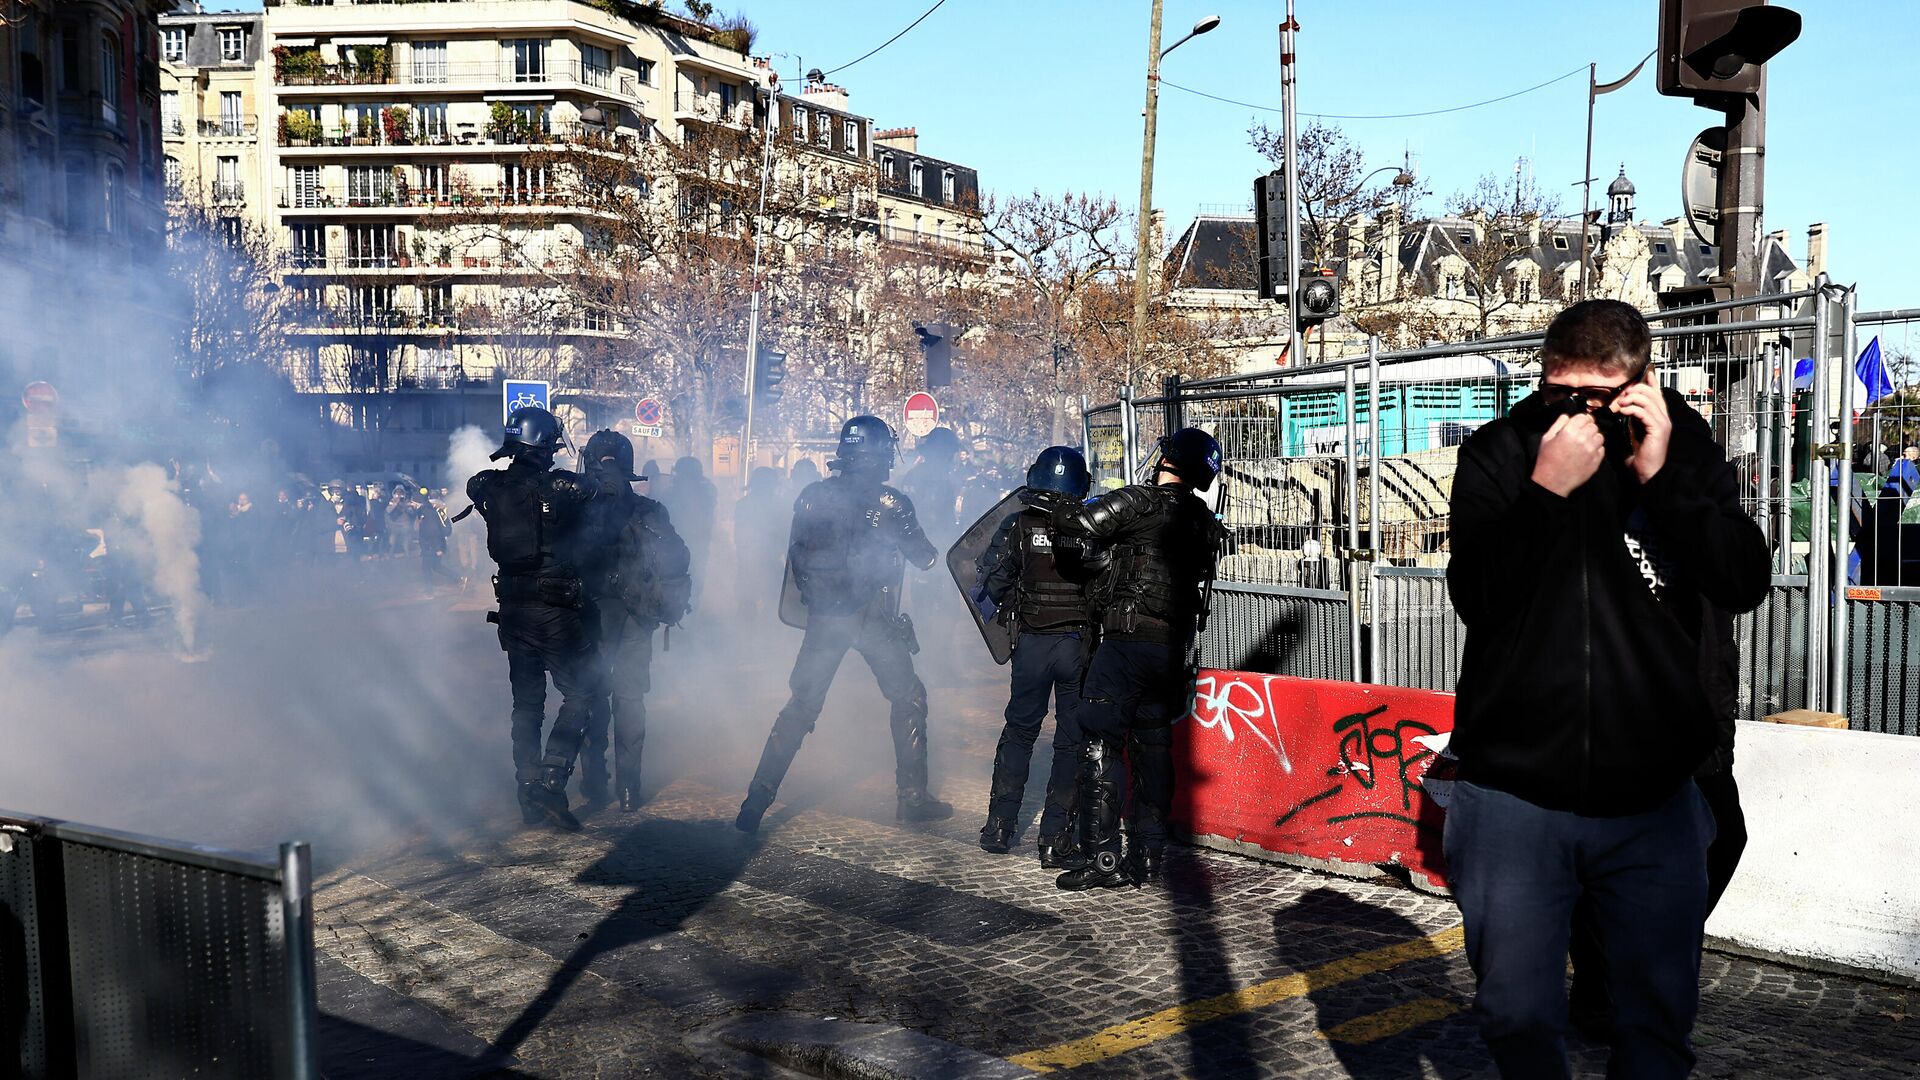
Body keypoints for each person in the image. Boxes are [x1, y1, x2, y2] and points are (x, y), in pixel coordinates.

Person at [1445, 299, 1770, 1078]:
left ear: (1644, 383)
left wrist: (1665, 481)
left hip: (1653, 793)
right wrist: (1545, 492)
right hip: (1515, 790)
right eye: (1564, 395)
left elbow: (1743, 578)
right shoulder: (1501, 451)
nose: (1583, 414)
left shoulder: (1682, 444)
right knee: (1515, 1016)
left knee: (1656, 1028)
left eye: (1603, 397)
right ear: (1545, 380)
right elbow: (1479, 599)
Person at [736, 416, 952, 832]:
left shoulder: (812, 496)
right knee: (909, 696)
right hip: (871, 616)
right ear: (880, 455)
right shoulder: (892, 503)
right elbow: (925, 558)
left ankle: (754, 803)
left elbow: (795, 559)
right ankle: (912, 799)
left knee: (800, 707)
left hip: (824, 616)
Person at [1048, 429, 1226, 890]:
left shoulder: (1141, 502)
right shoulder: (1204, 522)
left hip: (1126, 643)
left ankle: (1102, 859)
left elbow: (1079, 526)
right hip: (1170, 650)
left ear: (1167, 461)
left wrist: (1057, 507)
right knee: (1153, 751)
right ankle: (1147, 858)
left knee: (1100, 743)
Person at [463, 407, 606, 831]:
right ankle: (550, 780)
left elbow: (477, 487)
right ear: (543, 444)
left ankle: (527, 791)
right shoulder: (562, 487)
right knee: (581, 693)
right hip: (555, 609)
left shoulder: (487, 485)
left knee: (526, 705)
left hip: (512, 609)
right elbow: (595, 492)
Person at [973, 446, 1097, 867]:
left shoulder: (1016, 526)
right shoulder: (1091, 528)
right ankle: (1054, 840)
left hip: (1030, 646)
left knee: (1020, 733)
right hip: (1075, 647)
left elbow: (989, 585)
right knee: (1070, 741)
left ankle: (999, 827)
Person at [569, 431, 691, 810]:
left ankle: (593, 782)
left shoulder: (578, 509)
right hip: (639, 614)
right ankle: (629, 790)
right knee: (631, 698)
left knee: (591, 696)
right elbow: (676, 559)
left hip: (593, 615)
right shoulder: (651, 509)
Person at [733, 466, 788, 624]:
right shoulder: (777, 506)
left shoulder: (743, 504)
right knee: (757, 604)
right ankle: (753, 637)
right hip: (757, 562)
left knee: (760, 605)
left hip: (760, 562)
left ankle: (755, 637)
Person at [662, 455, 716, 594]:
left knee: (682, 584)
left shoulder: (674, 493)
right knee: (694, 583)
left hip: (681, 546)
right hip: (694, 545)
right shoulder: (708, 491)